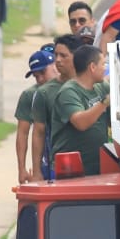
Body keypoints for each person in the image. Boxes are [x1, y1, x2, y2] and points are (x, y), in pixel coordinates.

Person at [50, 43, 112, 175]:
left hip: (97, 166)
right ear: (92, 67)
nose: (105, 68)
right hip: (71, 169)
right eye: (103, 64)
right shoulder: (68, 92)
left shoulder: (101, 87)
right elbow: (81, 123)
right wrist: (105, 103)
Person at [30, 34, 83, 181]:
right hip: (62, 167)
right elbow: (38, 132)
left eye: (63, 55)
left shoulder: (94, 85)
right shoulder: (44, 92)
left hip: (94, 164)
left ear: (77, 56)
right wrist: (36, 171)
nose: (57, 60)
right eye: (56, 55)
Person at [15, 46, 58, 184]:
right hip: (46, 161)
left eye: (42, 73)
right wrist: (22, 168)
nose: (40, 79)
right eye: (36, 76)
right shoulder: (30, 95)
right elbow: (23, 133)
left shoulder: (70, 87)